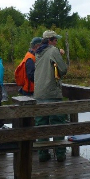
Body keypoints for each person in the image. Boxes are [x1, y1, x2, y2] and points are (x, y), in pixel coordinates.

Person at [34, 30, 68, 162]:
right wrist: (59, 55)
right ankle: (60, 154)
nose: (56, 42)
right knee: (58, 123)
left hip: (39, 94)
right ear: (50, 41)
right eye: (55, 40)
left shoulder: (38, 52)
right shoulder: (53, 50)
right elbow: (63, 69)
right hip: (52, 93)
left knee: (41, 124)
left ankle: (43, 154)